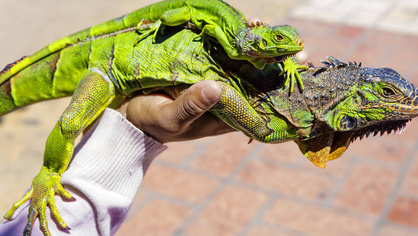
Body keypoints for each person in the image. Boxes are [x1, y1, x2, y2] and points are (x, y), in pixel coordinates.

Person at [0, 16, 307, 235]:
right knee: (71, 124)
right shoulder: (245, 44)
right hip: (109, 68)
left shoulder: (267, 61)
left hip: (152, 75)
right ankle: (50, 172)